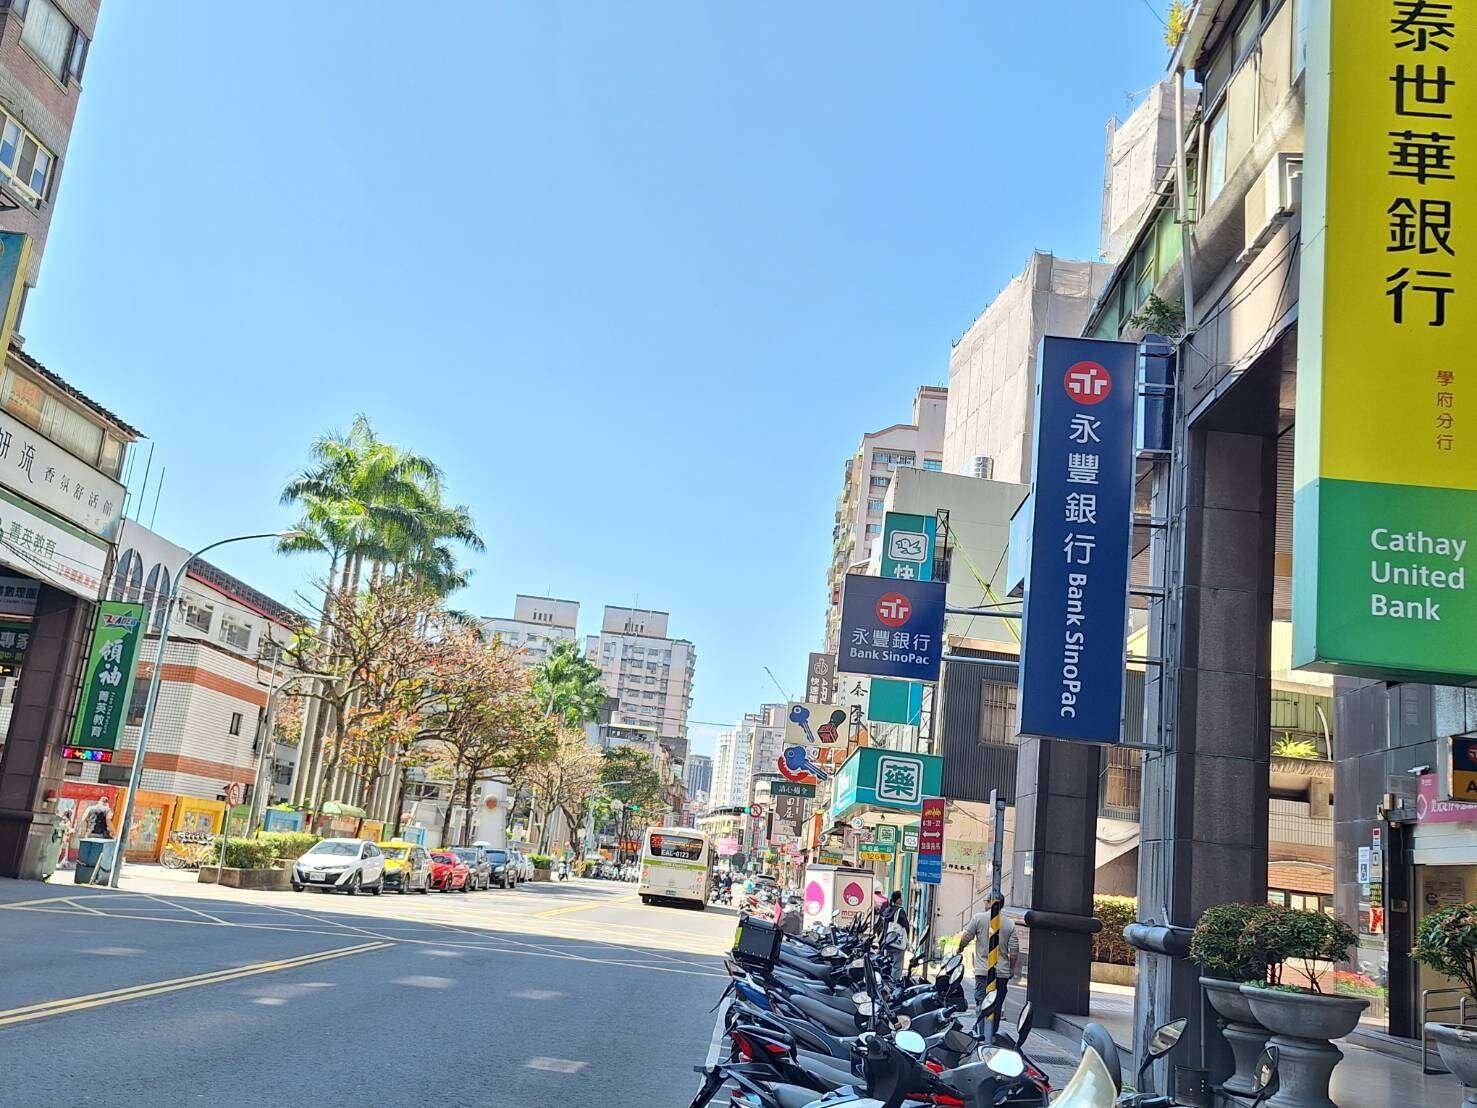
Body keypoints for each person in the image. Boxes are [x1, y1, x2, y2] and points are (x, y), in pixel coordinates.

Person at [955, 897, 1020, 1017]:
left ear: (991, 902)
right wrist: (1011, 969)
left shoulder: (978, 918)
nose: (984, 903)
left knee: (982, 1005)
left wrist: (960, 948)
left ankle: (981, 1028)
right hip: (1002, 973)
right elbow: (1014, 950)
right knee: (997, 1007)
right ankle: (993, 1028)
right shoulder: (1009, 923)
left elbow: (966, 936)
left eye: (986, 901)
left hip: (983, 972)